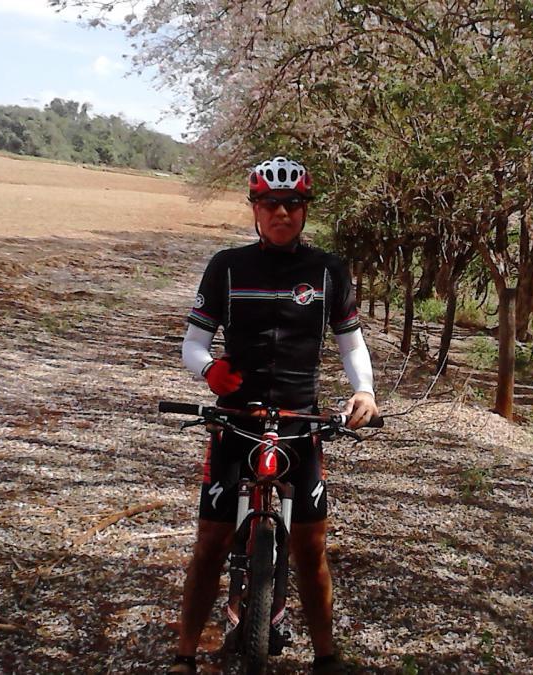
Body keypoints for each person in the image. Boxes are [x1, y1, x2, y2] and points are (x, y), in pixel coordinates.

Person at [169, 156, 380, 674]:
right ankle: (184, 654)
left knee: (311, 548)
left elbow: (351, 346)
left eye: (292, 204)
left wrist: (366, 393)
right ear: (255, 208)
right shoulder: (227, 266)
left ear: (305, 210)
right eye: (269, 203)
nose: (281, 213)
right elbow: (193, 342)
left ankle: (327, 656)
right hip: (235, 420)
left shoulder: (328, 271)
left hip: (300, 422)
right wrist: (208, 371)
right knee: (211, 543)